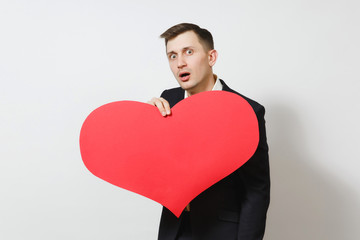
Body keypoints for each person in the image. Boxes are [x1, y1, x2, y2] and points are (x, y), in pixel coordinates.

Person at [148, 23, 270, 240]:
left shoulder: (247, 111)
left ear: (211, 57)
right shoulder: (169, 100)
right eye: (172, 56)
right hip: (174, 230)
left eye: (188, 52)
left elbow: (256, 191)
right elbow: (156, 169)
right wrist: (145, 124)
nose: (180, 63)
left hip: (222, 232)